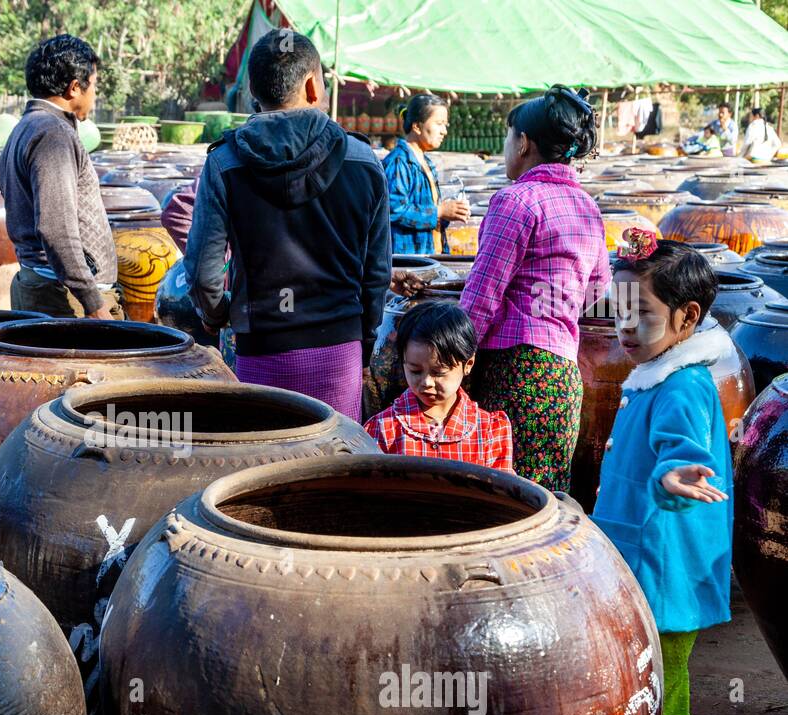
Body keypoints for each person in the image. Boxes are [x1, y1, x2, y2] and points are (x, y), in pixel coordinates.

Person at [591, 234, 733, 715]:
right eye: (618, 308)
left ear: (688, 319)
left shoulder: (682, 387)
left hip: (665, 585)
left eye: (640, 313)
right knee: (655, 709)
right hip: (644, 578)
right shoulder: (655, 373)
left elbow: (683, 453)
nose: (624, 325)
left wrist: (672, 477)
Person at [184, 28, 391, 420]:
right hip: (339, 352)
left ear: (252, 93)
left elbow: (202, 274)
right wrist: (363, 342)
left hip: (261, 347)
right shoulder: (363, 161)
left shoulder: (225, 163)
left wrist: (217, 316)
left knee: (265, 468)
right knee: (331, 467)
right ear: (314, 85)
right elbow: (377, 274)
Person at [459, 84, 609, 492]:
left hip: (516, 372)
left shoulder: (516, 201)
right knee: (548, 501)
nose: (506, 147)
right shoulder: (588, 207)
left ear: (523, 143)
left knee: (506, 497)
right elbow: (597, 293)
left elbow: (481, 296)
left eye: (508, 138)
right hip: (562, 375)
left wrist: (452, 358)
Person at [0, 34, 125, 319]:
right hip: (63, 300)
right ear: (74, 88)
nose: (95, 94)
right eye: (94, 85)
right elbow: (55, 228)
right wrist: (93, 303)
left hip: (52, 291)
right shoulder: (52, 133)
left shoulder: (26, 128)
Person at [363, 300, 512, 470]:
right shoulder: (382, 428)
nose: (426, 382)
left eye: (438, 372)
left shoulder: (490, 431)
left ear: (468, 364)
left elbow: (501, 493)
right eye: (415, 371)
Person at [382, 94, 469, 255]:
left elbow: (428, 214)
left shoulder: (426, 161)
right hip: (408, 261)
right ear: (416, 126)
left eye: (445, 124)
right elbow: (393, 211)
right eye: (439, 124)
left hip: (431, 254)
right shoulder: (399, 162)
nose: (444, 131)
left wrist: (452, 212)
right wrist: (440, 211)